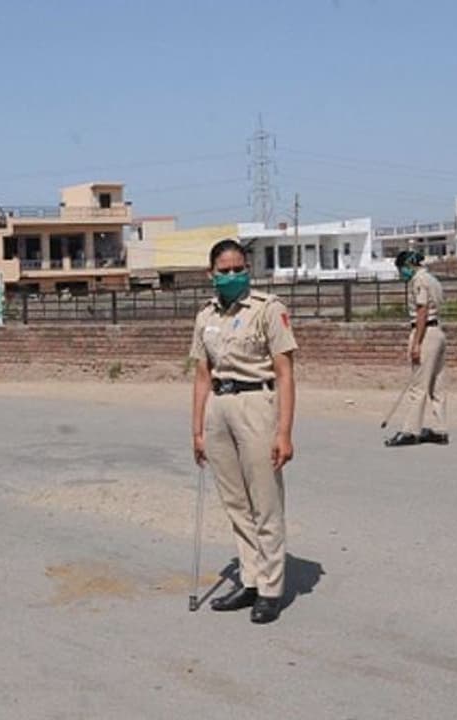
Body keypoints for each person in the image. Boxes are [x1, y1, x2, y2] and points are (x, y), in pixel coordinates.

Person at [190, 239, 298, 624]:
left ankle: (271, 587)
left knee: (264, 500)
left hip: (257, 404)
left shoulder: (268, 310)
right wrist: (198, 430)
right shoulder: (206, 317)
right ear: (211, 274)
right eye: (225, 270)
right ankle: (250, 578)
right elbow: (202, 375)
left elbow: (285, 373)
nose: (233, 275)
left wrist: (284, 432)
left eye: (239, 269)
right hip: (219, 408)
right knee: (235, 502)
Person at [385, 250, 449, 447]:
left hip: (425, 331)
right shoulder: (433, 279)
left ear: (409, 265)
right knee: (437, 384)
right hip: (437, 331)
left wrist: (417, 343)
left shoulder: (418, 281)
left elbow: (422, 310)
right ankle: (440, 429)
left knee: (418, 385)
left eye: (402, 268)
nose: (401, 273)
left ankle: (410, 430)